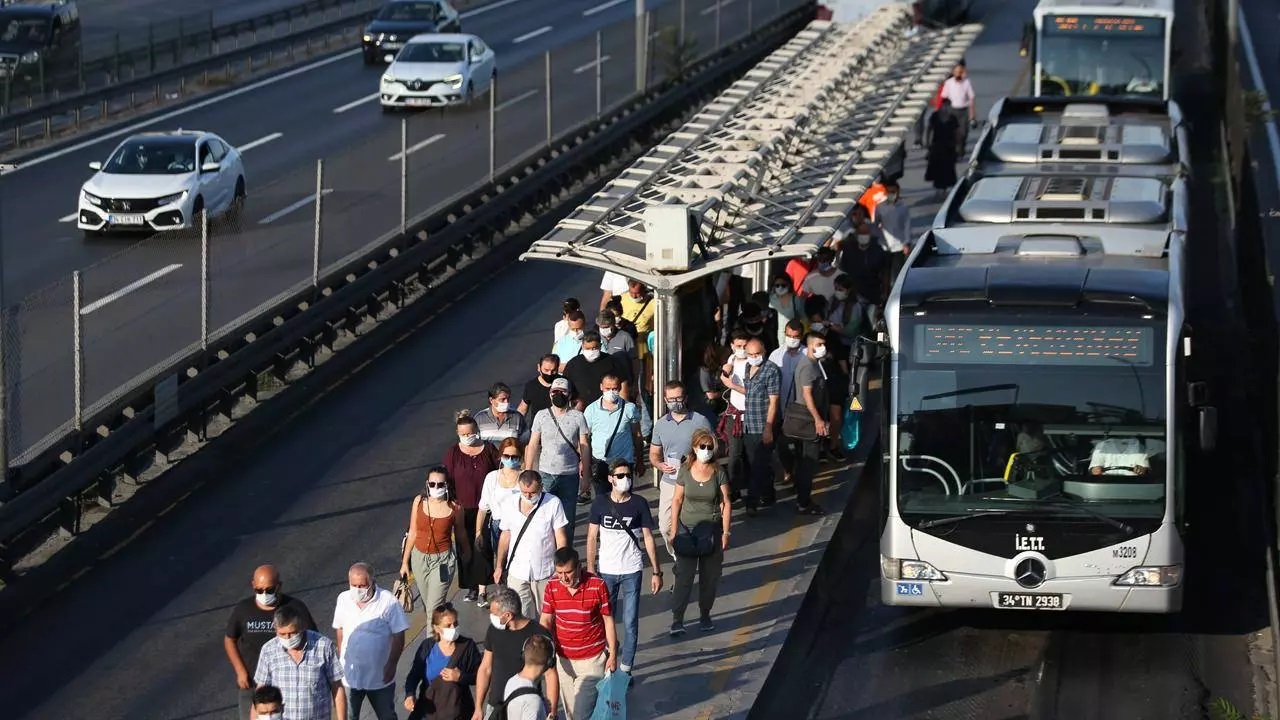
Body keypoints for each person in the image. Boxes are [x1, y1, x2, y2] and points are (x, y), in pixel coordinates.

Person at [586, 458, 663, 678]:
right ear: (611, 478)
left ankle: (626, 670)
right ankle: (609, 661)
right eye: (620, 476)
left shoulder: (639, 504)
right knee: (604, 621)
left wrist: (656, 571)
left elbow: (648, 538)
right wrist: (591, 568)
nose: (625, 479)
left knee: (630, 623)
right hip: (606, 572)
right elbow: (591, 537)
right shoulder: (600, 503)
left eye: (628, 475)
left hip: (632, 570)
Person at [225, 565, 319, 720]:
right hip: (252, 683)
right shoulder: (243, 609)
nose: (264, 594)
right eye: (259, 590)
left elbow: (312, 639)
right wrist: (240, 670)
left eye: (269, 590)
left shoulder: (294, 608)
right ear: (253, 585)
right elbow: (230, 639)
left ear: (279, 586)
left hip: (284, 683)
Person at [539, 547, 618, 720]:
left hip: (592, 661)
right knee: (570, 715)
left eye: (568, 572)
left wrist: (612, 653)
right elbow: (546, 619)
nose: (564, 578)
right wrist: (542, 646)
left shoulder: (598, 585)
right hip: (563, 661)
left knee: (579, 715)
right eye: (559, 572)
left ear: (579, 567)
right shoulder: (552, 586)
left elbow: (608, 620)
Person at [668, 428, 731, 635]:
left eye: (709, 447)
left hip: (711, 531)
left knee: (710, 578)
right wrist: (674, 530)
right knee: (683, 579)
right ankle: (677, 620)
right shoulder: (685, 470)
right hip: (687, 531)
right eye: (702, 446)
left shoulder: (718, 471)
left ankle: (705, 614)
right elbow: (677, 500)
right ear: (695, 447)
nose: (706, 450)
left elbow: (726, 502)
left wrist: (725, 532)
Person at [332, 562, 411, 720]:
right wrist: (341, 654)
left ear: (372, 582)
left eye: (362, 585)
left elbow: (398, 635)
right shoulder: (343, 599)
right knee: (348, 715)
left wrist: (392, 664)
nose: (358, 590)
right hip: (350, 676)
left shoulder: (388, 602)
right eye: (354, 585)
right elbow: (339, 628)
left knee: (386, 715)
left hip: (379, 677)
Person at [471, 585, 559, 720]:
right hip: (496, 707)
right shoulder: (494, 630)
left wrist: (552, 712)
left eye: (494, 613)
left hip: (525, 706)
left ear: (507, 616)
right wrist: (478, 707)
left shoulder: (538, 635)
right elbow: (485, 668)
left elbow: (550, 674)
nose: (491, 616)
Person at [648, 381, 713, 559]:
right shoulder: (661, 424)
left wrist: (696, 458)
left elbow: (714, 447)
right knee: (665, 526)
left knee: (691, 523)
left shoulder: (699, 421)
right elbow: (654, 453)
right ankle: (678, 556)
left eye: (678, 398)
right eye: (671, 399)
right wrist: (659, 464)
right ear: (664, 399)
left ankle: (689, 559)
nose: (675, 402)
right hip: (670, 481)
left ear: (685, 398)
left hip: (693, 480)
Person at [493, 471, 570, 619]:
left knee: (547, 618)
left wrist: (561, 568)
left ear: (541, 487)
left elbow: (560, 536)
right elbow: (505, 536)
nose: (528, 496)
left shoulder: (553, 503)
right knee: (521, 619)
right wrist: (499, 566)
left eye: (532, 492)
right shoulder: (509, 504)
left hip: (545, 573)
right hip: (517, 572)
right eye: (524, 492)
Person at [525, 378, 591, 541]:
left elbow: (584, 445)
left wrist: (586, 476)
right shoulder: (541, 416)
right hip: (546, 475)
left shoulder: (578, 417)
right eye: (555, 391)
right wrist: (528, 470)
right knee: (544, 518)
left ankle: (565, 558)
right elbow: (533, 444)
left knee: (567, 520)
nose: (558, 394)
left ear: (569, 395)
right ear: (550, 394)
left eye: (563, 392)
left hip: (570, 476)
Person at [253, 604, 346, 720]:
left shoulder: (323, 646)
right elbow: (260, 694)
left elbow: (337, 687)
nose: (288, 638)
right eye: (282, 634)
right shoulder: (268, 650)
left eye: (292, 633)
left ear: (302, 627)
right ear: (276, 630)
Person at [400, 467, 472, 616]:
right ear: (427, 484)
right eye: (432, 484)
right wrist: (405, 562)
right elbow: (413, 532)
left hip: (443, 562)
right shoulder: (419, 502)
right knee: (429, 606)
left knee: (434, 608)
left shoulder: (456, 508)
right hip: (419, 559)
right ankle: (443, 622)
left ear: (447, 485)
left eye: (440, 484)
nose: (436, 487)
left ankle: (431, 639)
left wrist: (467, 553)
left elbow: (461, 533)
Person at [722, 337, 781, 512]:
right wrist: (731, 385)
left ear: (764, 352)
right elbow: (750, 392)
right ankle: (768, 494)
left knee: (757, 464)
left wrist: (769, 427)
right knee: (755, 462)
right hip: (748, 424)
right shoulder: (748, 367)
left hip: (762, 425)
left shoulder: (771, 371)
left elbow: (774, 401)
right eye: (751, 354)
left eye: (758, 354)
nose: (754, 357)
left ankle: (752, 502)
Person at [446, 415, 499, 603]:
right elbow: (448, 480)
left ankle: (483, 588)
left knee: (482, 546)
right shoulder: (453, 453)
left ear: (477, 430)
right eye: (463, 434)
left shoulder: (489, 450)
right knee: (465, 547)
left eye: (470, 433)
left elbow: (497, 475)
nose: (467, 436)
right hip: (462, 509)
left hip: (484, 509)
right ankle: (471, 587)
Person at [403, 605, 483, 720]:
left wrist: (460, 677)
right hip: (428, 712)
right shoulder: (427, 646)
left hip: (458, 713)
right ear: (437, 628)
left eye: (455, 624)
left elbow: (480, 677)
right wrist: (409, 694)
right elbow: (414, 674)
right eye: (448, 625)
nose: (453, 628)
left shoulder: (468, 647)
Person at [476, 438, 526, 607]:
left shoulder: (524, 478)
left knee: (516, 564)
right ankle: (505, 597)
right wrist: (478, 533)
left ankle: (516, 595)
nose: (511, 460)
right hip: (498, 527)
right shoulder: (492, 478)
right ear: (500, 456)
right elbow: (483, 507)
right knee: (501, 564)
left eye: (515, 456)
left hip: (519, 527)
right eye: (507, 455)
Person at [785, 332, 830, 515]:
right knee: (808, 463)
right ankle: (803, 502)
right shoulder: (807, 367)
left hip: (808, 419)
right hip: (807, 421)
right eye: (819, 344)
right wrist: (818, 419)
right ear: (810, 346)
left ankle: (802, 495)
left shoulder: (814, 364)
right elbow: (807, 394)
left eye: (823, 343)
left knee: (804, 462)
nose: (822, 347)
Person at [583, 373, 643, 498]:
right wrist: (584, 464)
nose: (611, 391)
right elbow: (585, 440)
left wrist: (640, 460)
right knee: (602, 500)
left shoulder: (629, 408)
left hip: (624, 464)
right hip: (600, 463)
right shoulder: (591, 410)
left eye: (614, 388)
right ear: (601, 387)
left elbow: (637, 435)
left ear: (620, 388)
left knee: (624, 499)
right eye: (607, 388)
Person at [498, 635, 554, 720]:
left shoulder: (512, 681)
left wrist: (542, 708)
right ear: (550, 662)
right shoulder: (533, 701)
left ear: (524, 655)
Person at [925, 98, 962, 194]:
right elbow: (929, 129)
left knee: (949, 167)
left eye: (948, 106)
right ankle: (939, 187)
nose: (946, 108)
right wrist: (927, 142)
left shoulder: (952, 118)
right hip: (937, 145)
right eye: (944, 106)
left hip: (949, 146)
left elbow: (957, 132)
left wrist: (958, 146)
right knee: (937, 166)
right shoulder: (935, 116)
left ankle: (948, 187)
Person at [518, 354, 562, 421]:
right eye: (546, 370)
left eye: (553, 371)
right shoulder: (531, 386)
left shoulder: (564, 384)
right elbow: (523, 409)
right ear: (539, 367)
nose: (549, 374)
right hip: (537, 429)